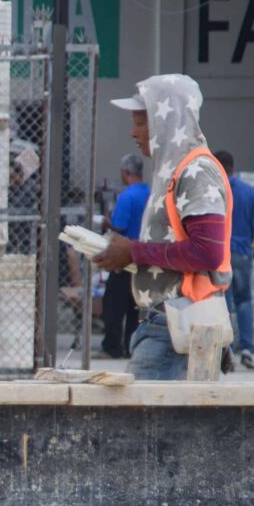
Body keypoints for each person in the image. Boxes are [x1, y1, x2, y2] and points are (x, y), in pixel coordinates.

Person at [91, 75, 234, 381]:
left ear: (167, 122)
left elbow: (207, 253)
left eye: (140, 122)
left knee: (138, 413)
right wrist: (129, 256)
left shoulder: (196, 171)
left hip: (176, 325)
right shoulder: (173, 171)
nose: (133, 132)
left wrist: (134, 251)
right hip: (166, 324)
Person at [213, 149, 254, 369]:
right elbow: (253, 226)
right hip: (242, 252)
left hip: (222, 253)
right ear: (232, 167)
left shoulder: (215, 191)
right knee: (244, 301)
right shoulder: (249, 192)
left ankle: (228, 349)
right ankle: (248, 350)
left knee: (225, 303)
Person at [99, 152, 149, 359]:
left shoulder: (127, 196)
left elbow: (119, 225)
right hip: (144, 256)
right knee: (135, 306)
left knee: (113, 304)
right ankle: (131, 345)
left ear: (126, 172)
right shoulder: (150, 193)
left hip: (124, 256)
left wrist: (106, 222)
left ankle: (112, 346)